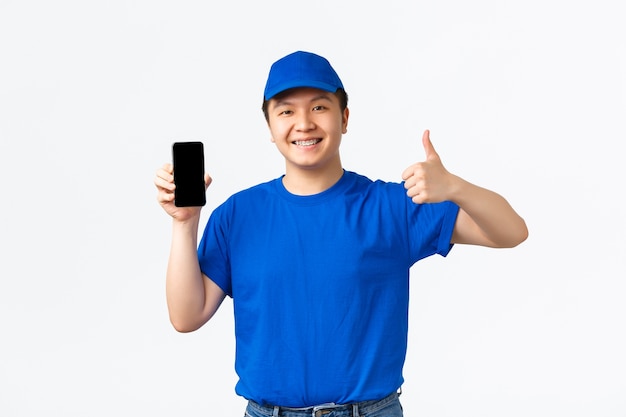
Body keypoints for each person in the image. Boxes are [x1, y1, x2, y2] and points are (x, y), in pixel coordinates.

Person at [154, 50, 528, 417]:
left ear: (344, 118)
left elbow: (511, 232)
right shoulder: (238, 214)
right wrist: (185, 224)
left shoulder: (392, 206)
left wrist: (455, 187)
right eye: (286, 111)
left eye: (319, 107)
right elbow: (186, 317)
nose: (303, 123)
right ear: (270, 127)